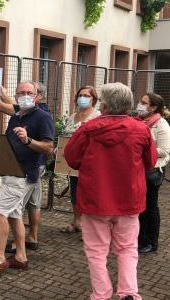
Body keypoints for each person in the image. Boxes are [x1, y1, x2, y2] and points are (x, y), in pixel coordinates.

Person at [65, 82, 157, 300]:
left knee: (96, 251)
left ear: (104, 105)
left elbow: (71, 158)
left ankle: (101, 294)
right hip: (128, 200)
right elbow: (151, 161)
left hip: (96, 200)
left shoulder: (88, 129)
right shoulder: (141, 129)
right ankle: (129, 293)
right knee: (127, 249)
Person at [0, 81, 54, 279]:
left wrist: (28, 140)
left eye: (29, 92)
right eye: (21, 93)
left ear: (36, 96)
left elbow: (48, 148)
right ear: (16, 96)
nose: (26, 95)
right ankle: (21, 256)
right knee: (14, 214)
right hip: (10, 172)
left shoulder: (42, 117)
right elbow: (7, 146)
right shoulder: (17, 115)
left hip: (24, 175)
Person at [60, 86, 101, 234]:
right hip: (73, 162)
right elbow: (65, 138)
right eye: (80, 95)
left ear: (93, 99)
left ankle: (89, 227)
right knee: (75, 192)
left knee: (89, 194)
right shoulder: (72, 117)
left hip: (90, 162)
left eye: (86, 95)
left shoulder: (98, 117)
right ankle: (76, 221)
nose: (82, 98)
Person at [136, 93, 170, 254]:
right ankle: (140, 238)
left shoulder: (161, 125)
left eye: (143, 103)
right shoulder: (140, 121)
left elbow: (164, 151)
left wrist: (142, 148)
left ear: (153, 107)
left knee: (150, 207)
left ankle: (151, 242)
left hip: (153, 171)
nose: (139, 105)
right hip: (139, 169)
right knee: (140, 207)